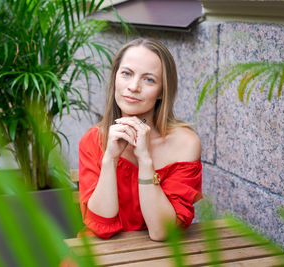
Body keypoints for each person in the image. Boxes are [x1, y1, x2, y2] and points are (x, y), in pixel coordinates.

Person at [78, 38, 202, 241]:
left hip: (156, 257)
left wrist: (145, 160)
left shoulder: (185, 144)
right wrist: (110, 159)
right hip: (101, 254)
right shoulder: (93, 140)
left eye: (149, 80)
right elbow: (102, 227)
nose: (133, 87)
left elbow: (161, 232)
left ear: (162, 91)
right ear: (115, 78)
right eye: (126, 74)